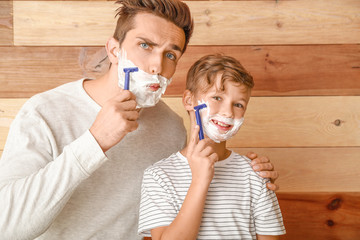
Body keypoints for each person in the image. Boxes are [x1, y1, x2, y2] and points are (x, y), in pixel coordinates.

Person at [0, 1, 278, 239]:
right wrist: (94, 142)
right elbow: (8, 227)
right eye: (145, 45)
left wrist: (250, 172)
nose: (157, 65)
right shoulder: (44, 112)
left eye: (170, 54)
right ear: (114, 50)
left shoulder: (171, 127)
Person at [138, 54, 286, 239]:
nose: (228, 112)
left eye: (238, 104)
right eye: (217, 97)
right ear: (189, 101)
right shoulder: (159, 176)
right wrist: (200, 181)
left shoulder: (255, 174)